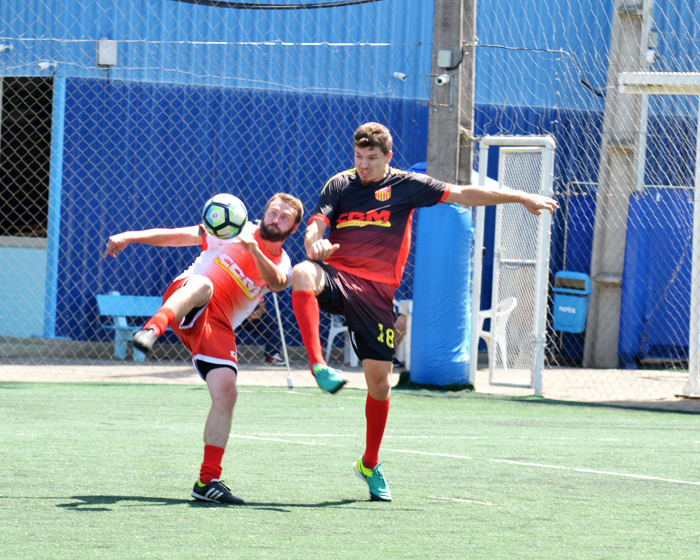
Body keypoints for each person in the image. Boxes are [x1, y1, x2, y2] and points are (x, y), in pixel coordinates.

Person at [291, 122, 559, 502]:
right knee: (301, 273)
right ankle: (318, 365)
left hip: (377, 295)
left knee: (380, 385)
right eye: (358, 157)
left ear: (388, 157)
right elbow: (316, 226)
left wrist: (520, 197)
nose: (363, 165)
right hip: (338, 276)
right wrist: (314, 244)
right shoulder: (340, 184)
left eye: (371, 158)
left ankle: (369, 463)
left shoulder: (407, 185)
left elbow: (464, 193)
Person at [103, 192, 303, 505]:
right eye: (272, 212)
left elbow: (277, 282)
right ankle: (153, 327)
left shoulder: (284, 262)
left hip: (217, 326)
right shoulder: (234, 229)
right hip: (187, 296)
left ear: (293, 228)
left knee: (227, 392)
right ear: (263, 214)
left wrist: (254, 250)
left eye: (284, 218)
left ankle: (207, 481)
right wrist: (129, 236)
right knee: (204, 284)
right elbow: (178, 236)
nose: (275, 220)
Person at [236, 298, 284, 365]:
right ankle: (225, 355)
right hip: (228, 315)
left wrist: (259, 312)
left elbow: (262, 306)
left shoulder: (254, 288)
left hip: (246, 318)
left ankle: (273, 356)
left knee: (269, 321)